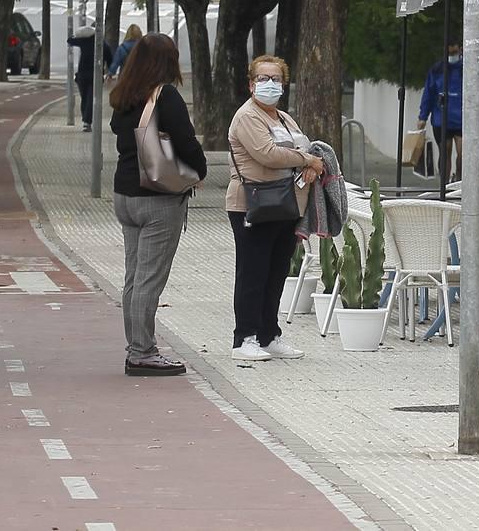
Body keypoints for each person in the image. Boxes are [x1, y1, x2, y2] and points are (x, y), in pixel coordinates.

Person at [108, 33, 207, 376]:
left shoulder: (123, 95)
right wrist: (200, 171)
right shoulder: (166, 96)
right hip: (158, 197)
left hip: (125, 195)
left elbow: (119, 131)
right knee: (150, 279)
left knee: (134, 277)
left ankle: (135, 345)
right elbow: (187, 142)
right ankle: (142, 352)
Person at [225, 55, 325, 362]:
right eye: (263, 78)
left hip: (285, 204)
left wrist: (307, 165)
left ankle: (269, 334)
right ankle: (244, 338)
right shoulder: (247, 117)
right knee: (253, 272)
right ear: (251, 83)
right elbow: (267, 154)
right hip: (253, 204)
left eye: (276, 79)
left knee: (276, 272)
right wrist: (306, 161)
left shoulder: (283, 118)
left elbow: (302, 147)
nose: (270, 85)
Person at [417, 41, 463, 182]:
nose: (451, 56)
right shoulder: (437, 70)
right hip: (441, 119)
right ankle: (445, 185)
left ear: (460, 50)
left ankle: (460, 182)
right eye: (449, 53)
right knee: (445, 153)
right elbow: (429, 93)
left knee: (463, 154)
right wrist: (422, 116)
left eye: (454, 53)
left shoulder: (466, 69)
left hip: (462, 120)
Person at [68, 20, 113, 132]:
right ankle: (87, 122)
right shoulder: (104, 44)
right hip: (96, 75)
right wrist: (109, 73)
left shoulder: (85, 41)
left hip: (82, 75)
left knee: (85, 98)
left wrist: (80, 33)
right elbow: (110, 60)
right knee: (90, 98)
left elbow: (70, 40)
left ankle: (86, 121)